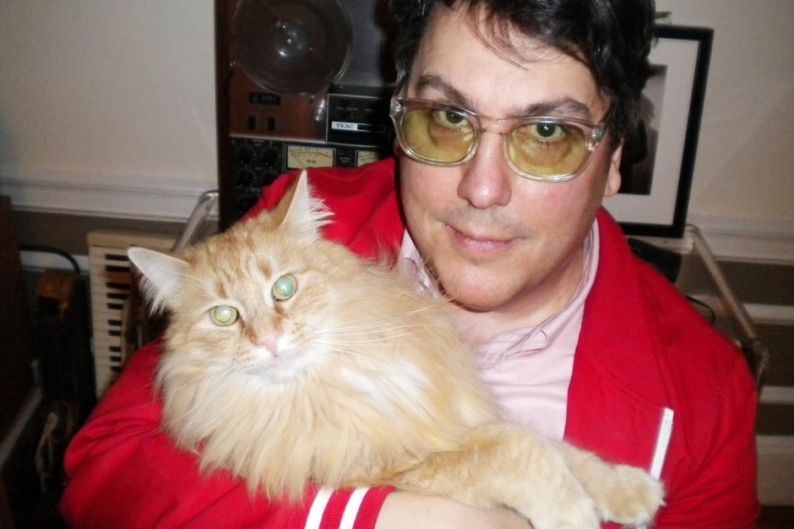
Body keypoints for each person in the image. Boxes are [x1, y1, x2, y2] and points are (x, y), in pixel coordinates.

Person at [61, 0, 760, 527]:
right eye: (448, 118)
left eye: (548, 132)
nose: (482, 189)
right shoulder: (299, 225)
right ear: (398, 120)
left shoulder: (708, 396)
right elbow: (103, 475)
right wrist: (391, 515)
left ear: (615, 159)